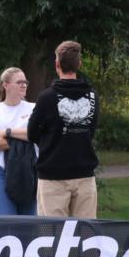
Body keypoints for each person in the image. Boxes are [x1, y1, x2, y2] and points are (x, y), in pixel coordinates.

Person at [27, 40, 99, 218]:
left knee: (52, 238)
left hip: (53, 177)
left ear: (57, 64)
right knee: (86, 236)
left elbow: (31, 133)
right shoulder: (93, 95)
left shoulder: (47, 97)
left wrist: (52, 141)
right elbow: (91, 130)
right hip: (84, 176)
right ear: (79, 64)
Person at [0, 67, 37, 215]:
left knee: (30, 226)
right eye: (19, 82)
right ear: (6, 85)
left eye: (25, 82)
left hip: (29, 171)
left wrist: (7, 133)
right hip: (0, 172)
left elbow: (38, 135)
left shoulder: (33, 109)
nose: (24, 85)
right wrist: (24, 138)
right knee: (6, 225)